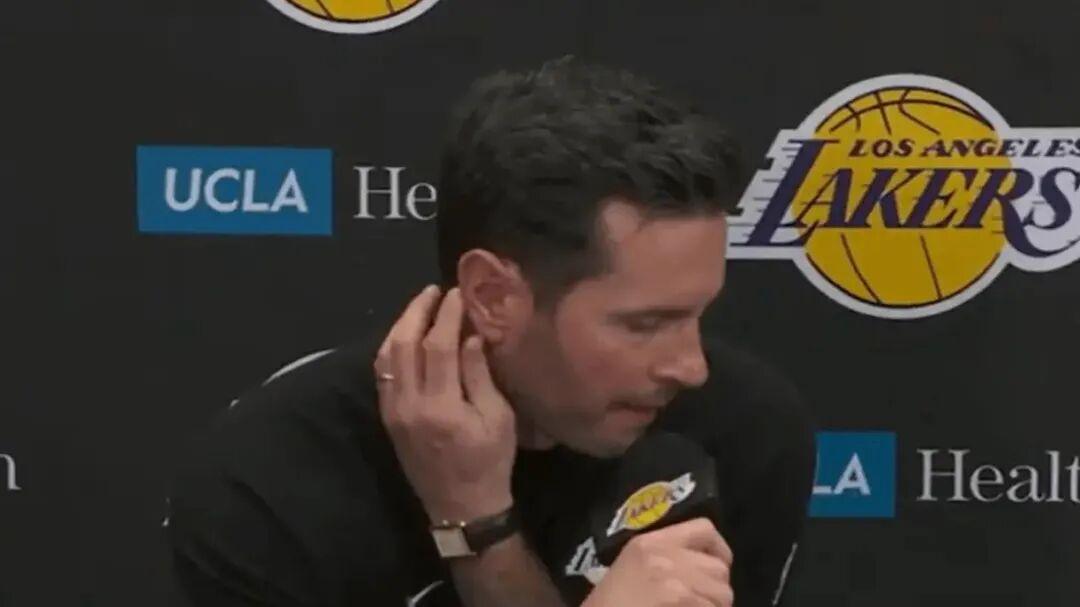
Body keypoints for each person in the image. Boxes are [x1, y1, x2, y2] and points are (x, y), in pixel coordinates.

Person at [167, 57, 815, 607]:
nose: (691, 367)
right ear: (493, 296)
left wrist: (480, 527)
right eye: (645, 324)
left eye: (698, 314)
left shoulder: (741, 431)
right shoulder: (269, 488)